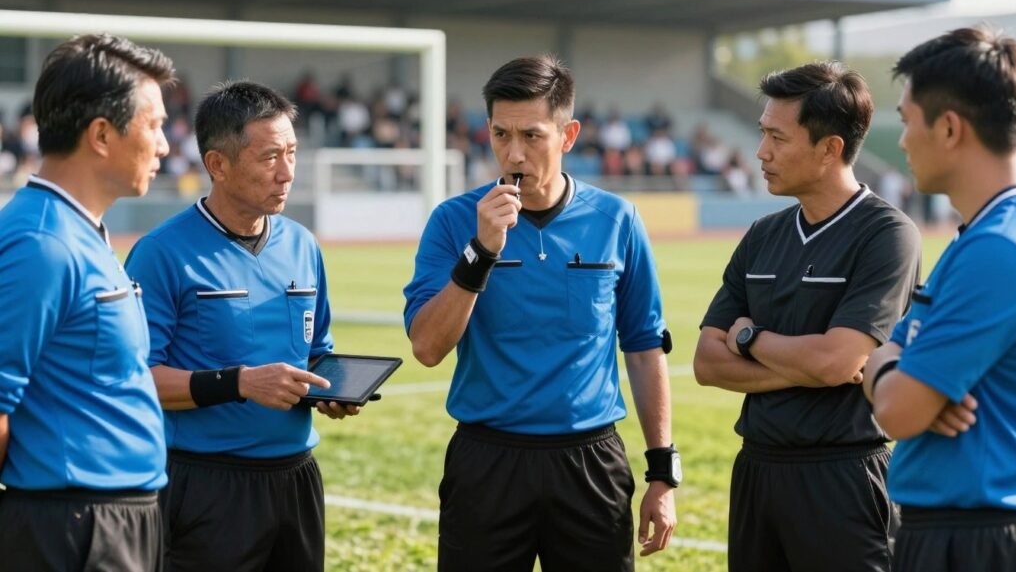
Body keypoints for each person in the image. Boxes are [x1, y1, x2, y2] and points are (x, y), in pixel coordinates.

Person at [404, 55, 677, 572]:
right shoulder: (452, 221)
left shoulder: (616, 219)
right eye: (501, 134)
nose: (514, 153)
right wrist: (481, 251)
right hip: (487, 461)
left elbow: (643, 350)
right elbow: (427, 347)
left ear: (568, 134)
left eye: (532, 136)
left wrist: (662, 473)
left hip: (590, 463)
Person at [692, 61, 922, 572]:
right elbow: (708, 364)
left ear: (829, 148)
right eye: (761, 134)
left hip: (844, 473)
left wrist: (749, 337)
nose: (761, 152)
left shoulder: (887, 234)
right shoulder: (762, 235)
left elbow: (837, 363)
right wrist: (811, 364)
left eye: (777, 137)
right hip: (757, 467)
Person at [125, 81, 358, 571]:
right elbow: (137, 380)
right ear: (218, 165)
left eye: (292, 152)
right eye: (270, 157)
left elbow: (318, 351)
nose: (287, 172)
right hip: (207, 485)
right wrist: (241, 383)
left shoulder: (302, 245)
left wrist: (331, 388)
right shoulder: (162, 253)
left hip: (297, 479)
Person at [0, 33, 173, 571]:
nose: (165, 145)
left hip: (115, 518)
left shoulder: (82, 231)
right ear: (101, 134)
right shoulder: (40, 243)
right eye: (155, 125)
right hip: (73, 528)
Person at [863, 27, 1016, 572]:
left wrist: (888, 373)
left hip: (976, 538)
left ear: (950, 128)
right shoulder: (982, 236)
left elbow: (899, 409)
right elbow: (889, 359)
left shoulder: (998, 250)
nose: (903, 140)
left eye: (908, 121)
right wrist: (892, 365)